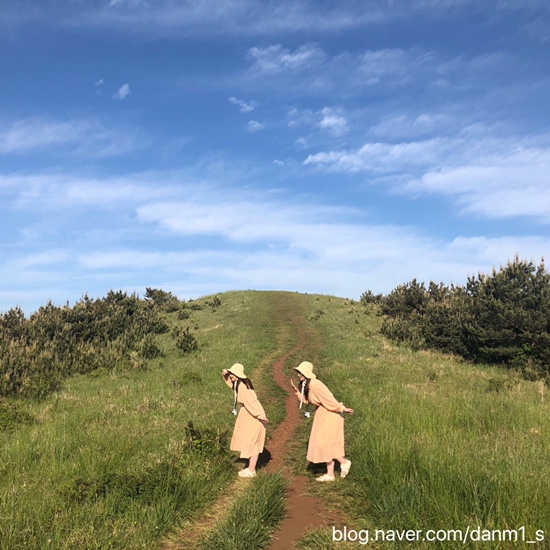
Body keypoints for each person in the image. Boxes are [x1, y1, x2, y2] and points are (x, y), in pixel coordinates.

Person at [291, 361, 354, 482]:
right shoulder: (307, 384)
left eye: (300, 372)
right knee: (325, 443)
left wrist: (342, 408)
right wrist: (296, 392)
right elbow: (309, 401)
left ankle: (344, 462)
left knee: (324, 444)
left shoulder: (316, 385)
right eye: (298, 372)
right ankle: (330, 474)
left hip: (330, 414)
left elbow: (329, 399)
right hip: (323, 414)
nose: (298, 375)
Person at [222, 363, 269, 478]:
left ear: (237, 375)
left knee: (252, 443)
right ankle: (250, 468)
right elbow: (232, 386)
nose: (231, 376)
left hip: (252, 416)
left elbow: (251, 402)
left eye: (232, 374)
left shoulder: (243, 386)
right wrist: (226, 376)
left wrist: (259, 415)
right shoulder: (239, 384)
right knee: (249, 441)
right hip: (249, 415)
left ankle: (251, 470)